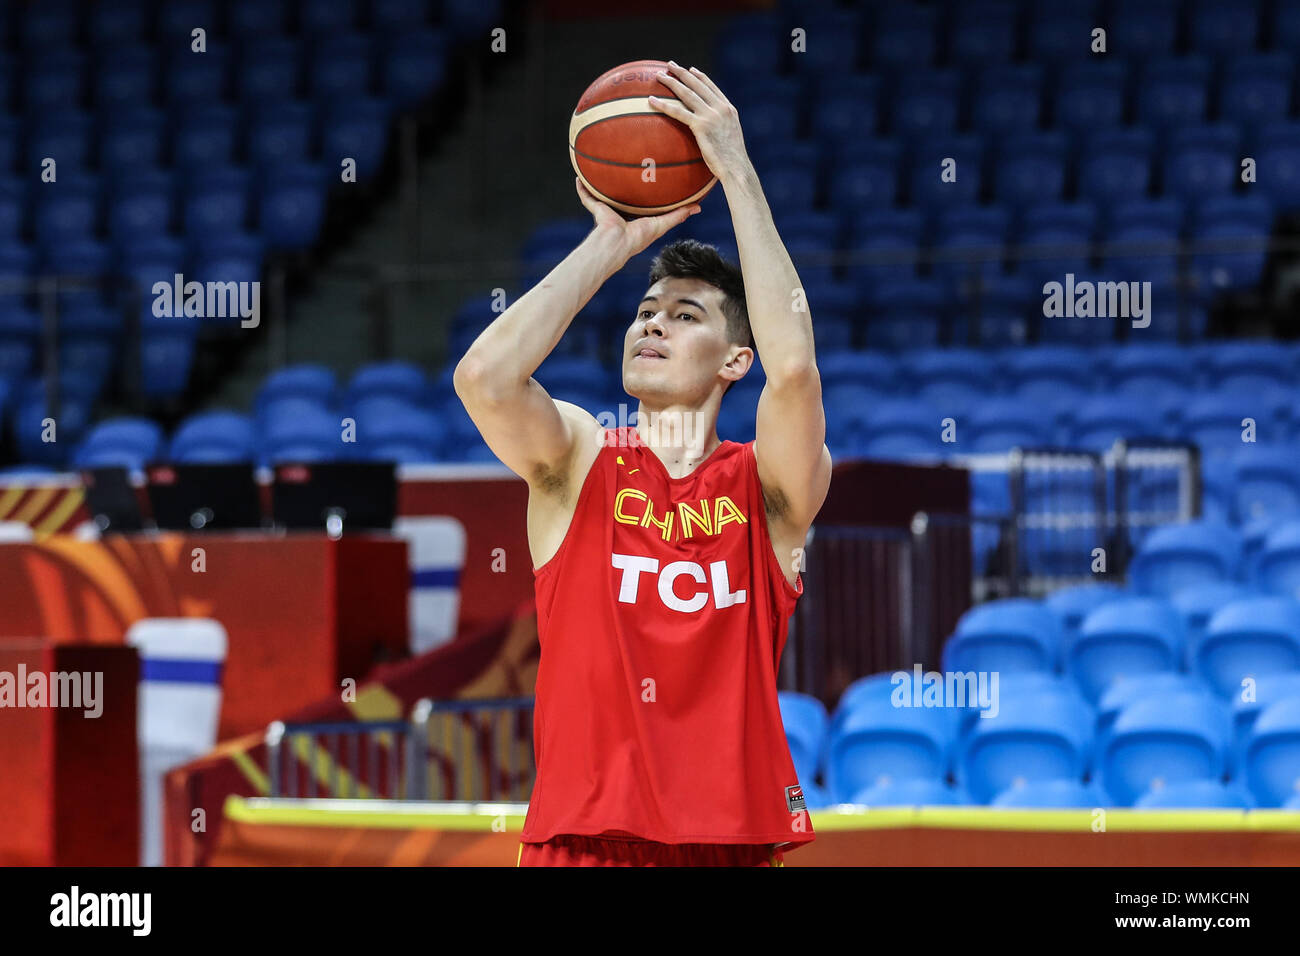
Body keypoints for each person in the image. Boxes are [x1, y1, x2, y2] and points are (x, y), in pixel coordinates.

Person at [455, 61, 831, 866]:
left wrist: (735, 170)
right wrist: (610, 243)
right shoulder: (581, 460)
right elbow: (484, 379)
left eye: (684, 315)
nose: (651, 324)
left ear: (736, 359)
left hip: (725, 840)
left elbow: (794, 369)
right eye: (646, 310)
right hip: (584, 841)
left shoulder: (767, 491)